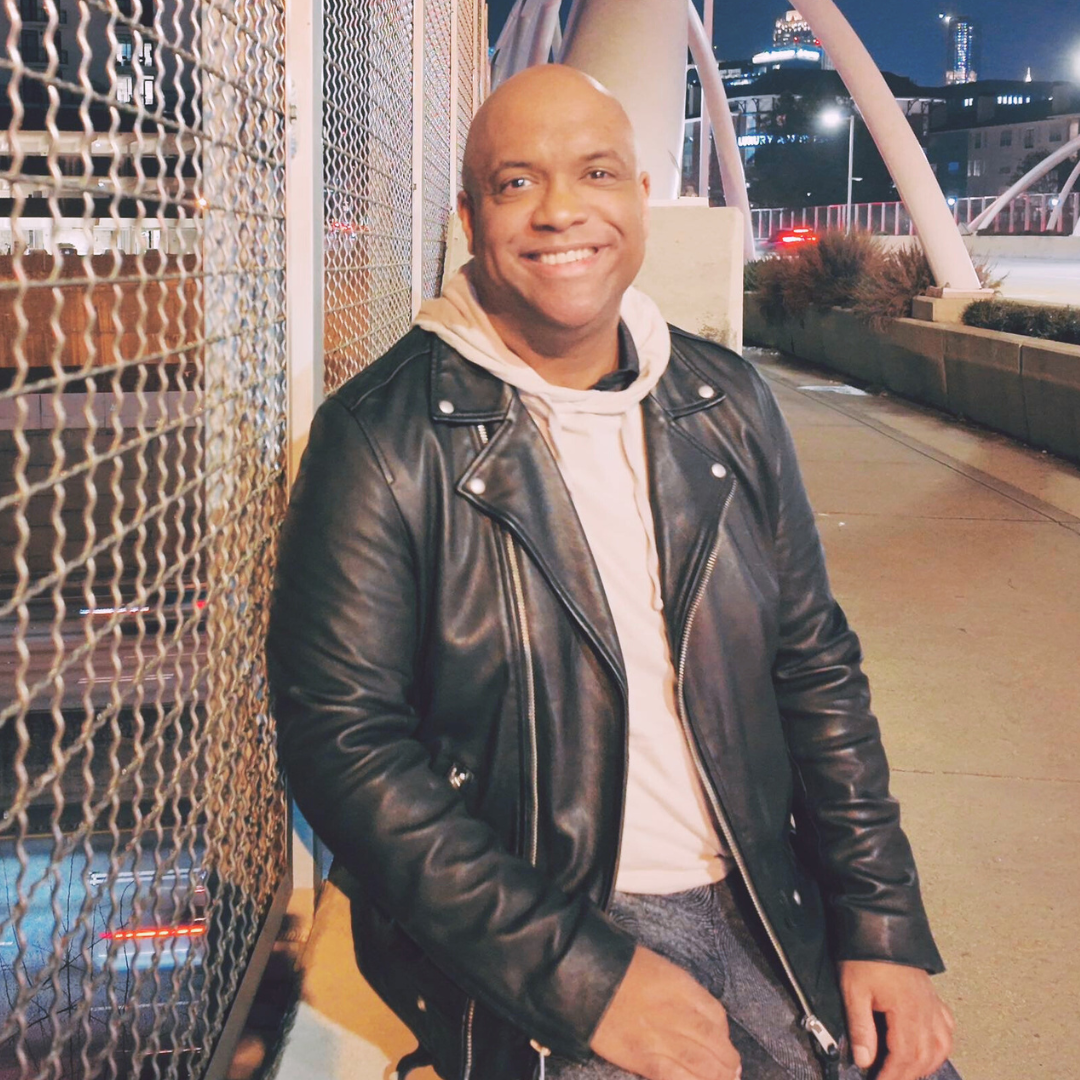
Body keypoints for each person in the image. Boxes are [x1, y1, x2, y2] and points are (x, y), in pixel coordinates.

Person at [267, 65, 959, 1080]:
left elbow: (814, 666)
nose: (561, 212)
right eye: (515, 183)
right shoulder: (381, 437)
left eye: (595, 172)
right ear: (467, 218)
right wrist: (582, 976)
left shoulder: (724, 400)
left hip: (767, 901)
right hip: (543, 926)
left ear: (639, 196)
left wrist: (880, 922)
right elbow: (344, 744)